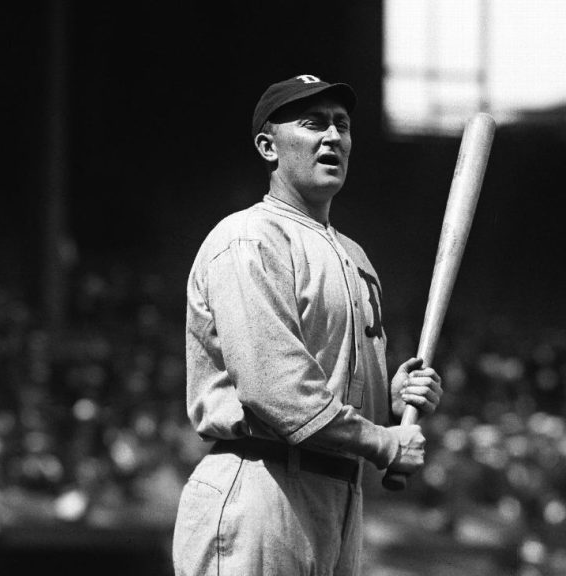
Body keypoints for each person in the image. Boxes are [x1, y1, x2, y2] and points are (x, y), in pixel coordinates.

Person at [171, 74, 444, 576]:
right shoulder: (250, 237)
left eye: (342, 125)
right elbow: (276, 389)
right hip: (261, 483)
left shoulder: (353, 255)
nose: (333, 137)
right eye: (313, 123)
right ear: (268, 146)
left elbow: (348, 393)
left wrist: (396, 399)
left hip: (339, 495)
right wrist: (384, 442)